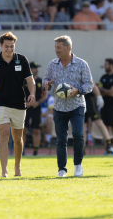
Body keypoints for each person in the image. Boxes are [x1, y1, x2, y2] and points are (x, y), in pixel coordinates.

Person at [0, 32, 36, 177]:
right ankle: (4, 170)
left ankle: (17, 167)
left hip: (19, 103)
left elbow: (30, 80)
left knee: (18, 139)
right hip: (1, 103)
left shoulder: (22, 60)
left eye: (12, 46)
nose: (9, 49)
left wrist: (32, 94)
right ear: (1, 45)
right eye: (6, 46)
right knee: (4, 134)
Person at [43, 35, 93, 177]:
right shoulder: (52, 64)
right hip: (59, 107)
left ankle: (78, 165)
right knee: (61, 139)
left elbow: (89, 84)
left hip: (77, 105)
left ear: (68, 48)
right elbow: (45, 79)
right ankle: (62, 169)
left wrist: (78, 90)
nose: (56, 50)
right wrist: (46, 83)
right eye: (55, 47)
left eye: (58, 48)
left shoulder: (82, 64)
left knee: (78, 134)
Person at [84, 81, 113, 154]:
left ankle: (108, 145)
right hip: (80, 100)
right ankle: (82, 149)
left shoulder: (84, 69)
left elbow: (93, 84)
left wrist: (99, 96)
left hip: (90, 100)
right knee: (82, 126)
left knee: (99, 122)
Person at [23, 62, 47, 156]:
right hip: (25, 108)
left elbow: (44, 95)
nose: (36, 69)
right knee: (23, 129)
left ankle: (35, 151)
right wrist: (24, 103)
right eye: (34, 68)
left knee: (36, 130)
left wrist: (38, 102)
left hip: (36, 108)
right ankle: (22, 150)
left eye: (37, 68)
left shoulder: (41, 81)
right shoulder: (23, 80)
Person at [98, 58, 113, 153]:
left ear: (111, 65)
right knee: (105, 128)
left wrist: (103, 90)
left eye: (106, 64)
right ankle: (108, 149)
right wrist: (104, 91)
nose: (104, 66)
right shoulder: (103, 77)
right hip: (104, 106)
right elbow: (98, 91)